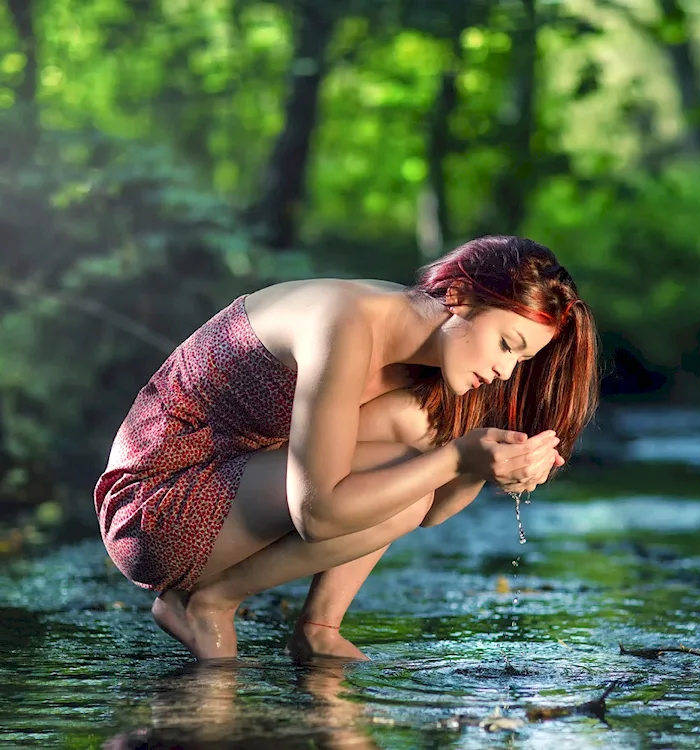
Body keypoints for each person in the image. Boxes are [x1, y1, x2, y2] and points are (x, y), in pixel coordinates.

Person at [94, 235, 599, 661]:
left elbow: (432, 511)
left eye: (522, 359)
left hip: (234, 480)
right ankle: (206, 604)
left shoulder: (427, 361)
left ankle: (320, 630)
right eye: (508, 344)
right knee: (409, 470)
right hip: (154, 505)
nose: (506, 371)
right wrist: (455, 458)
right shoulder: (347, 321)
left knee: (414, 456)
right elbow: (319, 515)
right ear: (462, 297)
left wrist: (484, 465)